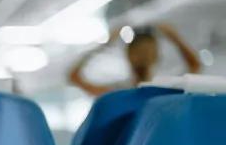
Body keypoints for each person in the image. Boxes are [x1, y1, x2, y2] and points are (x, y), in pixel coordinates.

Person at [69, 22, 202, 97]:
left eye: (149, 51)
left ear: (156, 56)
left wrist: (174, 37)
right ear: (129, 55)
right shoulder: (118, 93)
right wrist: (104, 45)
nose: (145, 56)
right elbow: (74, 77)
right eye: (140, 51)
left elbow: (195, 66)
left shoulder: (165, 89)